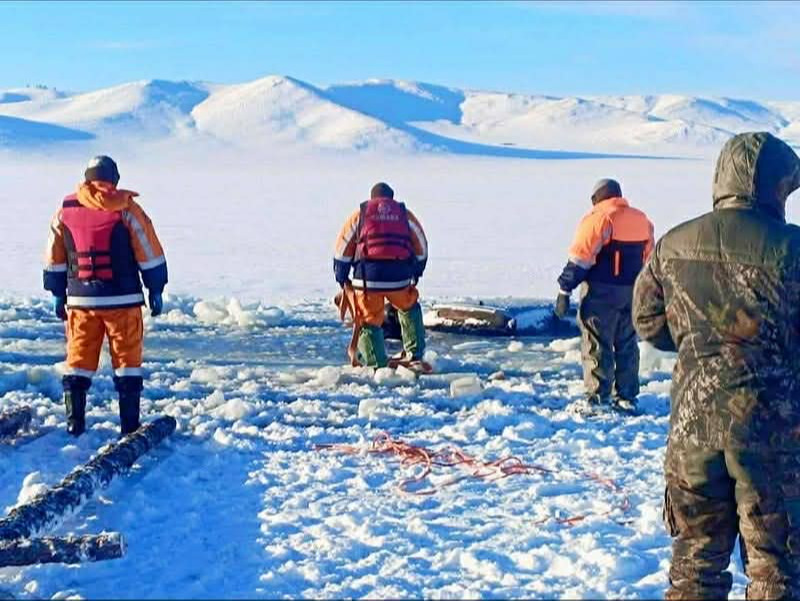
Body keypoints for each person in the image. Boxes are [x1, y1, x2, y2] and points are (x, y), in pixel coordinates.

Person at [633, 132, 800, 600]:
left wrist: (700, 344)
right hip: (773, 436)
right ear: (777, 187)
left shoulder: (673, 244)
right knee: (776, 569)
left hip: (693, 430)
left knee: (695, 566)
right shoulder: (794, 248)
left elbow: (648, 323)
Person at [43, 155, 168, 437]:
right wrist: (156, 287)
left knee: (78, 360)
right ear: (114, 179)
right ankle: (129, 427)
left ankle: (75, 423)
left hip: (80, 302)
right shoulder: (127, 208)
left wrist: (57, 293)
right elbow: (148, 248)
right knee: (127, 362)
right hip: (122, 300)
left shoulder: (65, 209)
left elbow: (55, 253)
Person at [554, 178, 654, 415]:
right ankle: (627, 396)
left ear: (596, 198)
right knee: (627, 344)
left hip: (601, 291)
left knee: (597, 342)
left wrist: (564, 289)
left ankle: (599, 398)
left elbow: (581, 258)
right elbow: (650, 259)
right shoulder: (642, 220)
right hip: (633, 291)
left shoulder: (599, 218)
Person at [333, 182, 428, 367]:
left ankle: (376, 364)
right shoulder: (404, 215)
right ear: (391, 197)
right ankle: (415, 353)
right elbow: (421, 245)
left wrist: (342, 277)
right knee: (409, 308)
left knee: (368, 319)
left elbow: (342, 247)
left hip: (368, 280)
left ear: (371, 198)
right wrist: (417, 272)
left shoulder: (360, 215)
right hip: (399, 278)